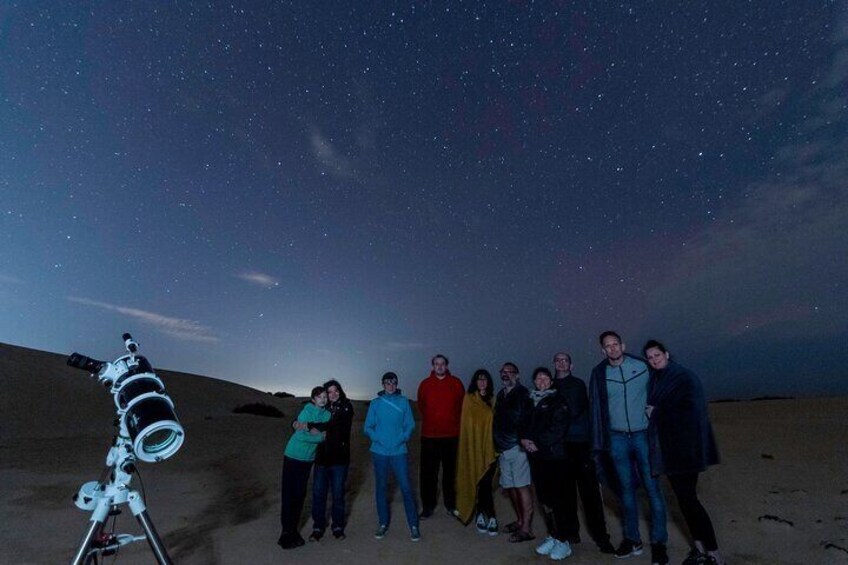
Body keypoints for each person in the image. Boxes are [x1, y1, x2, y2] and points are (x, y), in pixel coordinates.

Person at [589, 331, 668, 564]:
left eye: (615, 344)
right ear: (602, 350)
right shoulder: (599, 373)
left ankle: (659, 544)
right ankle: (632, 539)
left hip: (643, 436)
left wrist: (659, 409)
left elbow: (665, 383)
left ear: (623, 345)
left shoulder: (643, 366)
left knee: (653, 491)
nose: (612, 349)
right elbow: (596, 409)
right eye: (607, 346)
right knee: (625, 491)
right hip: (617, 439)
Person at [643, 340, 724, 565]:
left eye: (657, 355)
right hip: (671, 450)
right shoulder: (659, 378)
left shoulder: (683, 376)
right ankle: (699, 549)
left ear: (666, 353)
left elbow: (691, 410)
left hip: (686, 450)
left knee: (690, 500)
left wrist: (657, 412)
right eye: (650, 357)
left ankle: (716, 555)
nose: (654, 360)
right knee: (684, 501)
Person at [552, 352, 615, 554]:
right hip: (561, 448)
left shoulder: (577, 385)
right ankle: (571, 533)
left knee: (590, 494)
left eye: (565, 360)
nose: (561, 363)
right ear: (554, 364)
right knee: (565, 494)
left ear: (571, 365)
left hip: (580, 445)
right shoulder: (549, 386)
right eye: (558, 360)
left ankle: (601, 538)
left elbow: (571, 410)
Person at [521, 367, 573, 561]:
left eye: (545, 378)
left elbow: (558, 429)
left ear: (551, 382)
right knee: (544, 498)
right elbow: (523, 424)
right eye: (538, 378)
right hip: (537, 458)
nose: (542, 381)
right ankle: (553, 535)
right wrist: (523, 439)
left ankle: (563, 541)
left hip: (554, 457)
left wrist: (536, 442)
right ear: (534, 381)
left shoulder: (558, 401)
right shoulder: (530, 401)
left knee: (558, 499)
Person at [363, 372, 421, 542]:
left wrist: (401, 438)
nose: (391, 385)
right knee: (381, 487)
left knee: (406, 487)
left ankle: (413, 524)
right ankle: (382, 523)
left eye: (394, 382)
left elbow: (410, 424)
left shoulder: (403, 402)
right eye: (388, 382)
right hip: (379, 451)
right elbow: (368, 427)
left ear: (397, 384)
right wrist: (379, 438)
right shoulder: (375, 403)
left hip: (399, 450)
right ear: (382, 384)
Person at [278, 386, 331, 550]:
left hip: (307, 460)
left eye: (325, 397)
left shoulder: (328, 415)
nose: (323, 399)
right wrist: (319, 436)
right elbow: (299, 434)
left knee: (300, 495)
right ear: (313, 399)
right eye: (319, 397)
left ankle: (293, 530)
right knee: (289, 494)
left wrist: (314, 431)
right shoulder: (306, 411)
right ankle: (286, 533)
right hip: (293, 455)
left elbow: (326, 433)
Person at [416, 354, 466, 519]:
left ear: (446, 365)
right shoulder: (425, 384)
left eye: (442, 364)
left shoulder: (456, 383)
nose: (439, 366)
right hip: (430, 436)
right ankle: (428, 506)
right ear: (432, 366)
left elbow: (461, 405)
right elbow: (422, 406)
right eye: (436, 364)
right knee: (428, 473)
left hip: (451, 436)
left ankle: (450, 505)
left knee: (450, 473)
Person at [492, 362, 535, 543]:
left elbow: (529, 419)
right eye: (503, 372)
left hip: (518, 448)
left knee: (522, 486)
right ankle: (519, 520)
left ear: (517, 375)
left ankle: (526, 529)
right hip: (502, 449)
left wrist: (523, 440)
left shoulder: (523, 394)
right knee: (509, 487)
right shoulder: (501, 395)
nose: (505, 374)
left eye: (509, 372)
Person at [308, 379, 354, 541]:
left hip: (340, 460)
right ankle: (318, 527)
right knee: (319, 494)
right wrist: (298, 423)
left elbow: (337, 426)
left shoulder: (347, 406)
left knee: (338, 494)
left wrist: (312, 426)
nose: (333, 394)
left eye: (336, 391)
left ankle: (338, 527)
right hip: (321, 459)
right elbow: (305, 416)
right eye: (329, 392)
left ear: (340, 392)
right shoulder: (321, 407)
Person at [455, 369, 499, 535]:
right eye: (479, 379)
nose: (482, 382)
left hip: (490, 450)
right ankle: (487, 516)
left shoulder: (493, 400)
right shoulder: (468, 399)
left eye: (485, 379)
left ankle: (485, 514)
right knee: (480, 484)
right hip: (473, 448)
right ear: (475, 381)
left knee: (486, 483)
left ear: (488, 382)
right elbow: (466, 428)